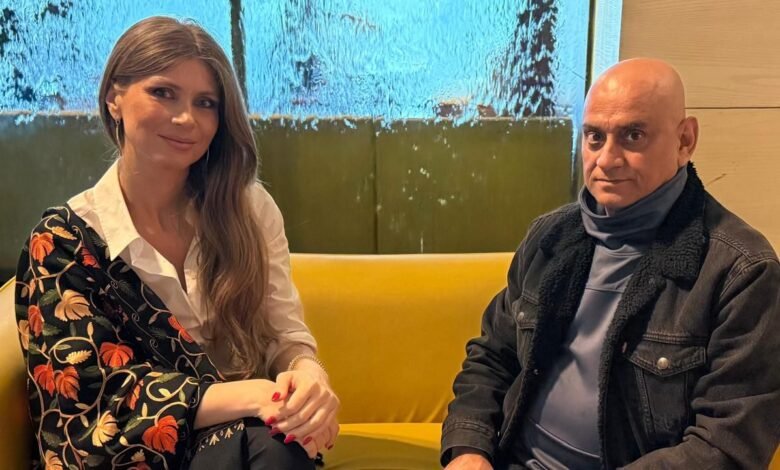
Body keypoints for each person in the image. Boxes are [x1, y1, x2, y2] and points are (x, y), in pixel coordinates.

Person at [14, 16, 339, 469]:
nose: (186, 118)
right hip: (130, 456)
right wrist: (252, 395)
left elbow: (285, 338)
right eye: (163, 92)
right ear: (114, 98)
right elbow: (84, 405)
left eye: (205, 103)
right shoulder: (63, 240)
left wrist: (309, 381)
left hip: (254, 436)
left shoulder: (247, 208)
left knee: (275, 445)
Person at [441, 58, 780, 469]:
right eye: (595, 137)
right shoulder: (549, 237)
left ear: (685, 140)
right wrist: (468, 450)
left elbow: (726, 446)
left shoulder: (742, 272)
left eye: (633, 136)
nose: (606, 160)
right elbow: (492, 357)